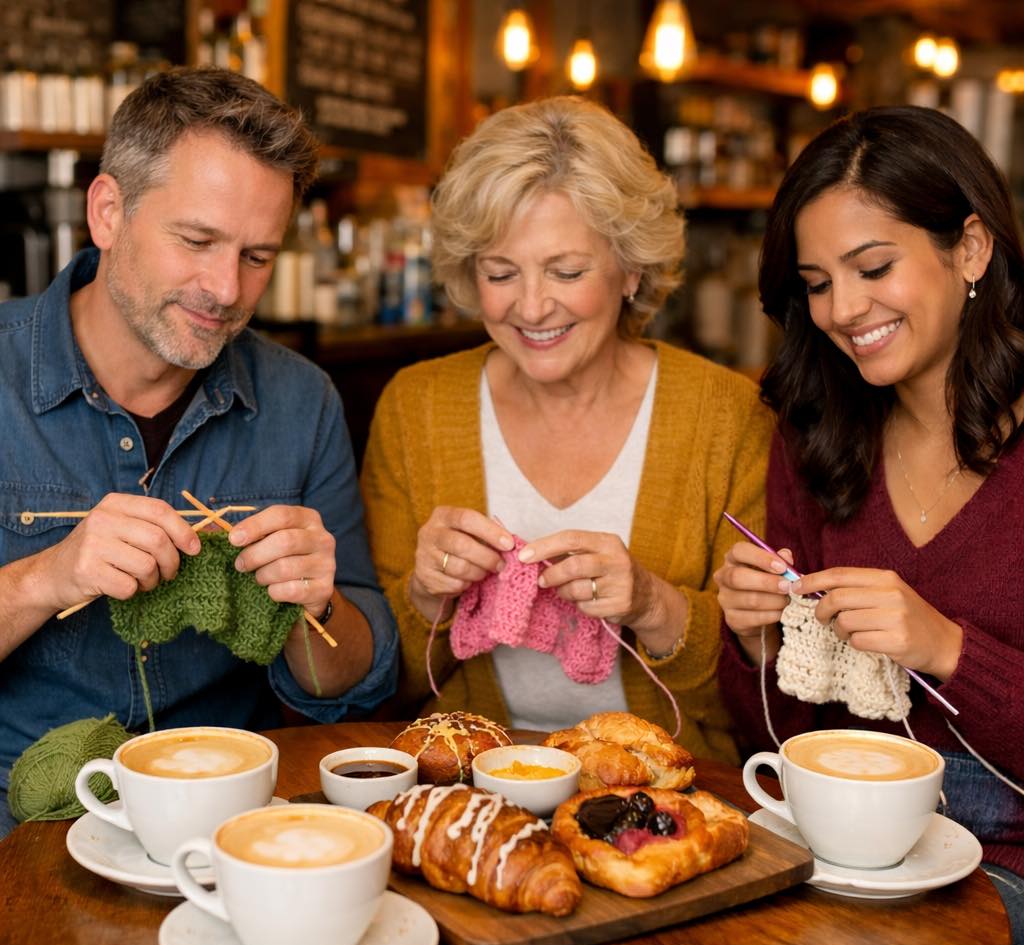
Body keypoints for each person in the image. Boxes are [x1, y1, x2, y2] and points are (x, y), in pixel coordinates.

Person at [0, 68, 398, 837]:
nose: (225, 288)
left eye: (257, 255)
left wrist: (318, 607)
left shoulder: (301, 401)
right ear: (109, 211)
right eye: (197, 240)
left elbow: (350, 688)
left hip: (231, 831)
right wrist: (49, 576)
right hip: (21, 837)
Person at [713, 105, 1024, 945]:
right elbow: (772, 744)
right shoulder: (815, 434)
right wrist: (758, 644)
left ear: (970, 248)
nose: (843, 310)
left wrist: (949, 648)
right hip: (837, 846)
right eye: (816, 283)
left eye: (873, 267)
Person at [360, 95, 772, 758]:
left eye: (566, 270)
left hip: (673, 801)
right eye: (500, 273)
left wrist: (653, 605)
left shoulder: (725, 417)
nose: (531, 305)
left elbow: (767, 703)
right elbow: (379, 691)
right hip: (472, 796)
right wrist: (425, 598)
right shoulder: (417, 407)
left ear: (631, 267)